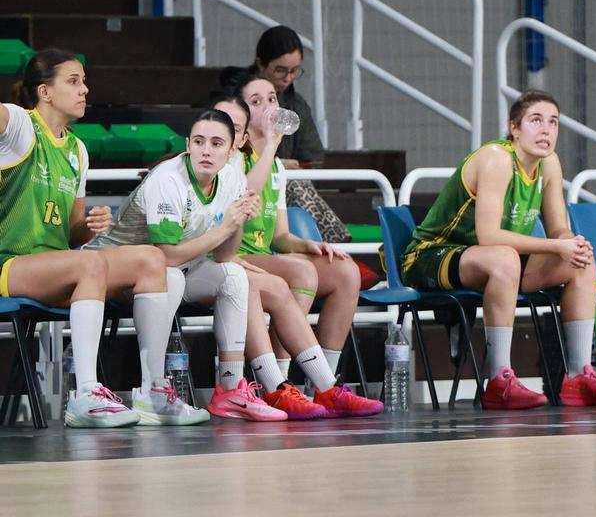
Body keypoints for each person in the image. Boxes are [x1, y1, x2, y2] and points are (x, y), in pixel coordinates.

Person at [403, 90, 596, 409]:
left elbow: (558, 228)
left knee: (580, 261)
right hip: (431, 255)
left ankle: (579, 376)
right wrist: (556, 245)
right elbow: (488, 236)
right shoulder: (497, 159)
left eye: (553, 122)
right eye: (536, 120)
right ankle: (499, 379)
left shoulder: (549, 163)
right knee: (504, 256)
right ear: (514, 128)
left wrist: (571, 243)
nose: (546, 130)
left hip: (497, 263)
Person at [0, 49, 185, 427]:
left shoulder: (77, 151)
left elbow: (70, 235)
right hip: (10, 266)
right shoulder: (20, 125)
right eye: (73, 81)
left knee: (152, 259)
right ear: (45, 92)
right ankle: (84, 393)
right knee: (90, 263)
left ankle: (152, 389)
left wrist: (90, 224)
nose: (85, 89)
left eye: (84, 81)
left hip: (58, 265)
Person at [87, 109, 280, 421]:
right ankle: (151, 390)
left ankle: (231, 389)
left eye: (217, 143)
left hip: (171, 270)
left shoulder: (232, 177)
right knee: (172, 276)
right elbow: (167, 255)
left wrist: (238, 219)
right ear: (188, 144)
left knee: (234, 276)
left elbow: (224, 256)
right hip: (114, 273)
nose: (206, 150)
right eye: (200, 141)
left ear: (232, 151)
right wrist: (221, 229)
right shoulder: (168, 179)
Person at [211, 79, 368, 415]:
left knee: (344, 272)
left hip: (265, 254)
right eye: (257, 101)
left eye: (272, 97)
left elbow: (281, 236)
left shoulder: (277, 166)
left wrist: (310, 244)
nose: (269, 105)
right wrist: (270, 145)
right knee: (299, 272)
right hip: (232, 254)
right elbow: (243, 196)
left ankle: (323, 383)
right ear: (239, 117)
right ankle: (280, 383)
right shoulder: (233, 160)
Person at [221, 25, 323, 169]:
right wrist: (277, 164)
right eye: (280, 70)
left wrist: (299, 168)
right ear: (261, 64)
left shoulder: (297, 105)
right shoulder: (234, 97)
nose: (288, 78)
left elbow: (313, 157)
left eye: (294, 71)